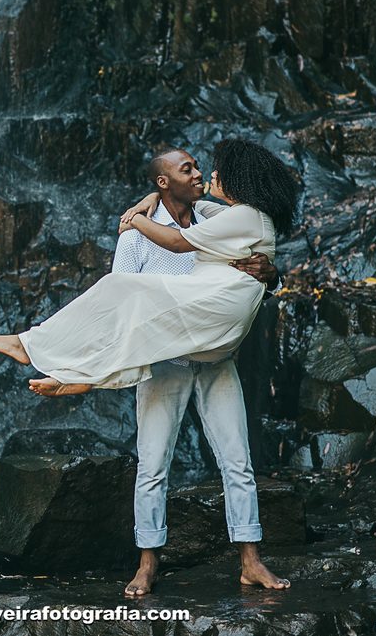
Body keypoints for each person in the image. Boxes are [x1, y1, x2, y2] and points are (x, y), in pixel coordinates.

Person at [0, 138, 300, 396]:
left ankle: (32, 346)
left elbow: (176, 242)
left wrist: (135, 220)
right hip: (216, 314)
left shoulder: (243, 215)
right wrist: (151, 197)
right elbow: (186, 201)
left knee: (119, 289)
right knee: (132, 312)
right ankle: (82, 375)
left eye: (217, 170)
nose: (209, 174)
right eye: (192, 169)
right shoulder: (236, 214)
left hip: (219, 304)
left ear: (238, 178)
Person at [111, 148, 290, 594]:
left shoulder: (218, 224)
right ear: (162, 183)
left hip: (216, 362)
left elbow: (250, 283)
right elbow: (116, 298)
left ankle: (251, 562)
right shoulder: (136, 236)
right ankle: (148, 563)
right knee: (152, 466)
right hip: (164, 365)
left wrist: (273, 275)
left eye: (198, 167)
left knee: (239, 462)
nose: (198, 175)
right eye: (186, 169)